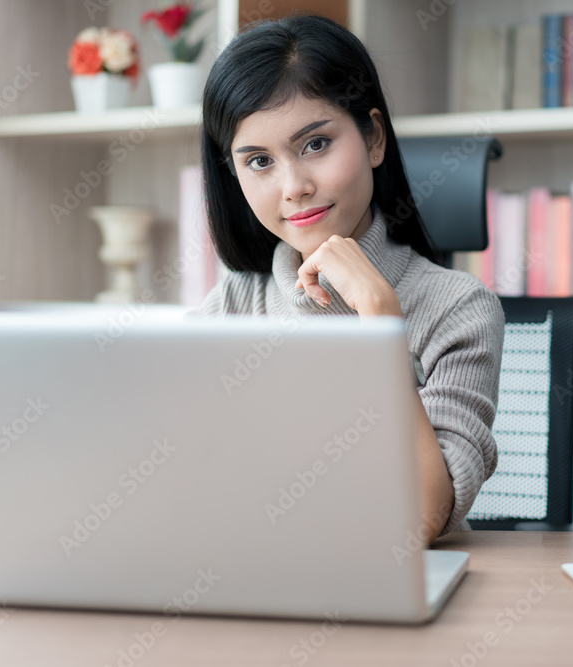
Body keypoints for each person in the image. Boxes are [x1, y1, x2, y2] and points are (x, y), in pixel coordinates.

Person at [192, 14, 504, 543]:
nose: (294, 186)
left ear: (374, 138)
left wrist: (380, 321)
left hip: (396, 590)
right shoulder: (235, 302)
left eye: (315, 145)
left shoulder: (458, 308)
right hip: (260, 576)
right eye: (260, 161)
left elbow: (423, 517)